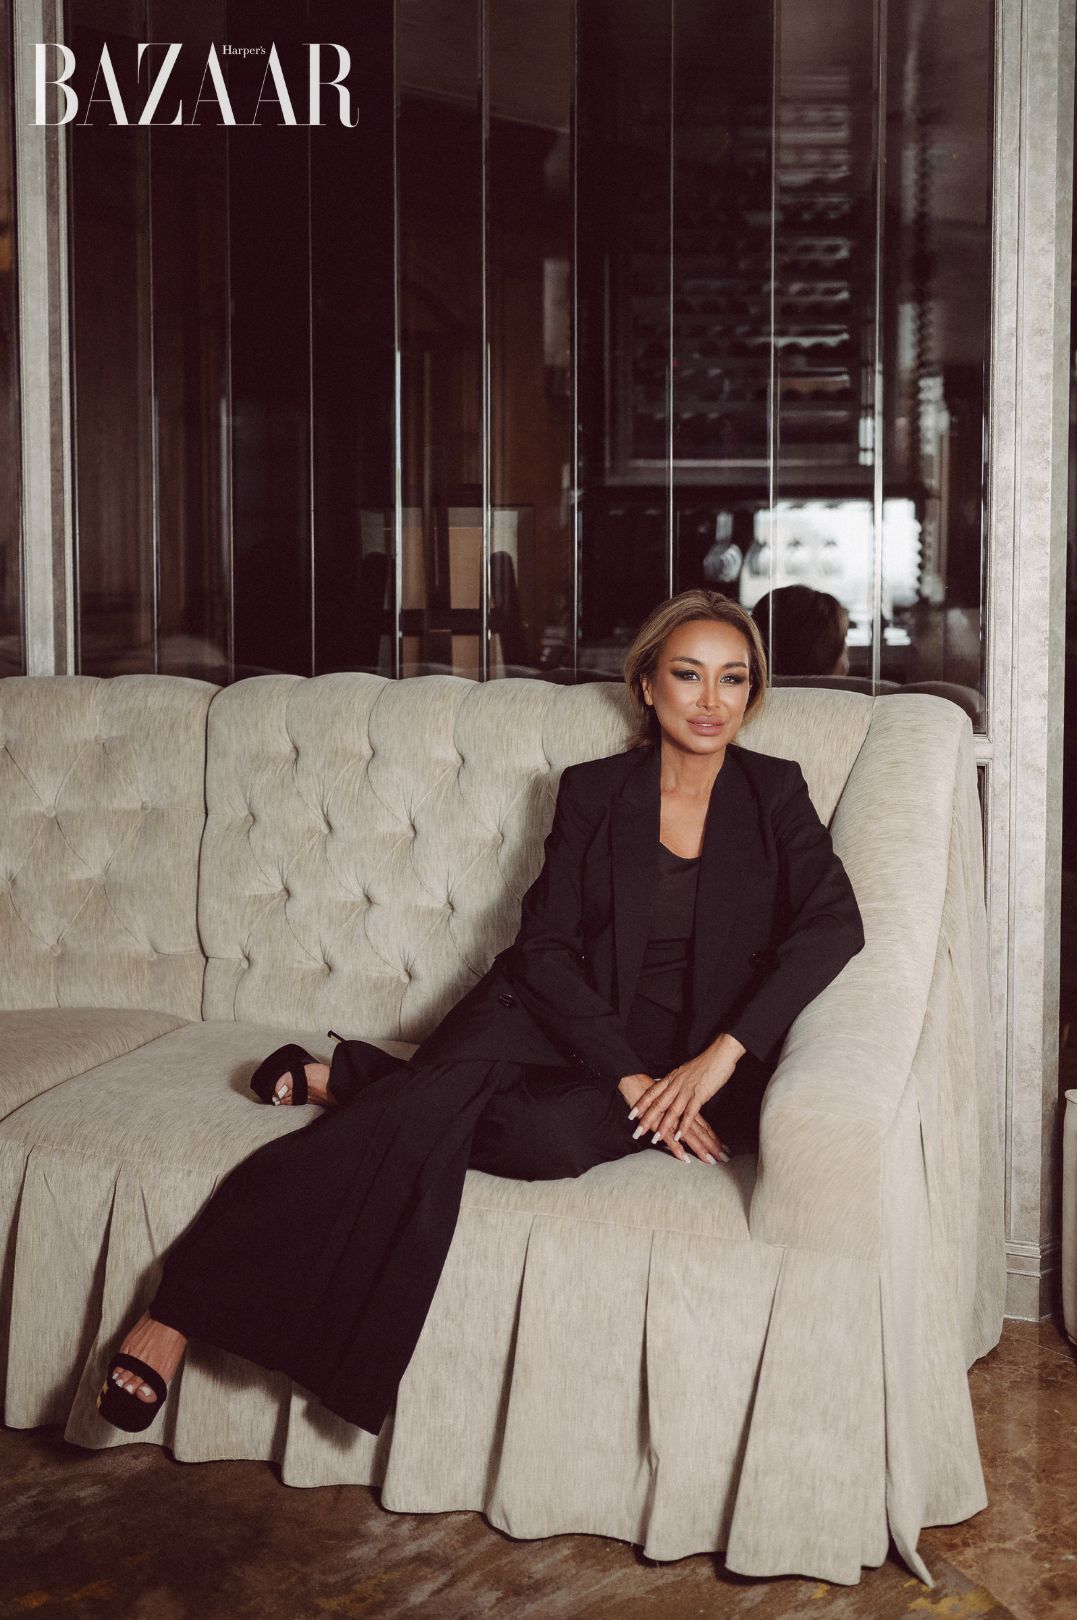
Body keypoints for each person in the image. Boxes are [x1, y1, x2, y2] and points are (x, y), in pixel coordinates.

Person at [97, 589, 864, 1437]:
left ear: (753, 692)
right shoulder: (594, 791)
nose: (712, 699)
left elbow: (836, 924)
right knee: (424, 1111)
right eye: (689, 675)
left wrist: (721, 1057)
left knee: (546, 1141)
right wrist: (627, 1073)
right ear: (648, 686)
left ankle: (351, 1080)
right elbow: (545, 948)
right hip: (550, 1011)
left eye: (733, 678)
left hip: (692, 1051)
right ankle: (175, 1311)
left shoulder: (774, 792)